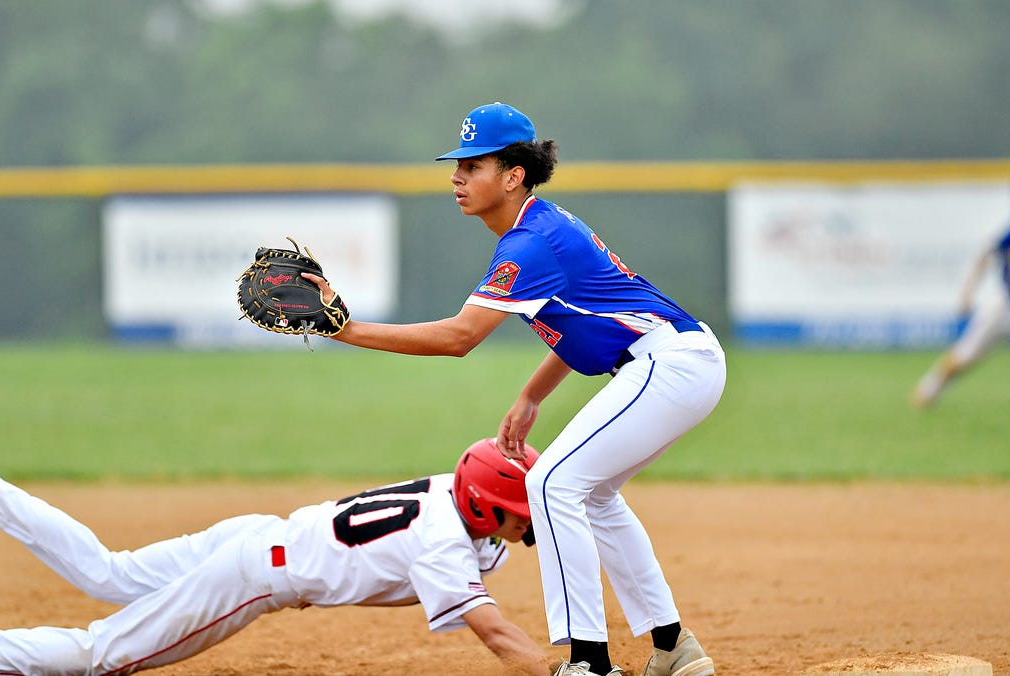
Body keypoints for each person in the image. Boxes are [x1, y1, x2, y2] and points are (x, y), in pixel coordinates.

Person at [302, 102, 726, 676]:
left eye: (474, 165)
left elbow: (458, 337)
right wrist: (532, 395)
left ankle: (589, 663)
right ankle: (673, 645)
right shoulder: (541, 226)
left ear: (513, 175)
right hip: (676, 362)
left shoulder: (529, 245)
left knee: (552, 483)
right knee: (593, 494)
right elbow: (587, 326)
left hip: (668, 364)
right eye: (458, 164)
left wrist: (346, 328)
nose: (457, 176)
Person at [0, 431, 559, 676]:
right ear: (480, 505)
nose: (523, 527)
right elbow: (495, 633)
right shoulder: (445, 545)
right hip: (256, 574)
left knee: (109, 572)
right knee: (103, 653)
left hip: (261, 533)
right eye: (516, 515)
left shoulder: (455, 493)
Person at [911, 222, 1010, 408]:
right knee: (966, 355)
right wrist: (968, 292)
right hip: (1004, 306)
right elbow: (986, 253)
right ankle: (929, 390)